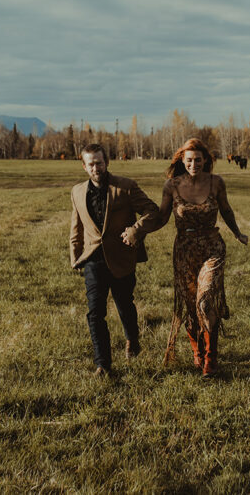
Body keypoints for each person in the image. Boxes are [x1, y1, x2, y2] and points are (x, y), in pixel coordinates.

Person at [157, 138, 248, 378]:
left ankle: (211, 359)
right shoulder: (172, 185)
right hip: (184, 250)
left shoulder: (216, 182)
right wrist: (136, 229)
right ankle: (197, 349)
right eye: (189, 160)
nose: (194, 164)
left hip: (212, 247)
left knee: (205, 300)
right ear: (182, 161)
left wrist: (237, 232)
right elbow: (161, 218)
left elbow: (226, 209)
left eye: (198, 159)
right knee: (190, 305)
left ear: (206, 160)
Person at [70, 143, 161, 376]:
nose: (95, 168)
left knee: (124, 305)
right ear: (84, 166)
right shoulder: (77, 192)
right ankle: (103, 364)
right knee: (95, 312)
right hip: (93, 259)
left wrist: (135, 230)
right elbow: (76, 226)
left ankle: (132, 339)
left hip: (122, 258)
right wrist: (75, 256)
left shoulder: (125, 187)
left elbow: (152, 211)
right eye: (90, 164)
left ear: (107, 162)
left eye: (99, 162)